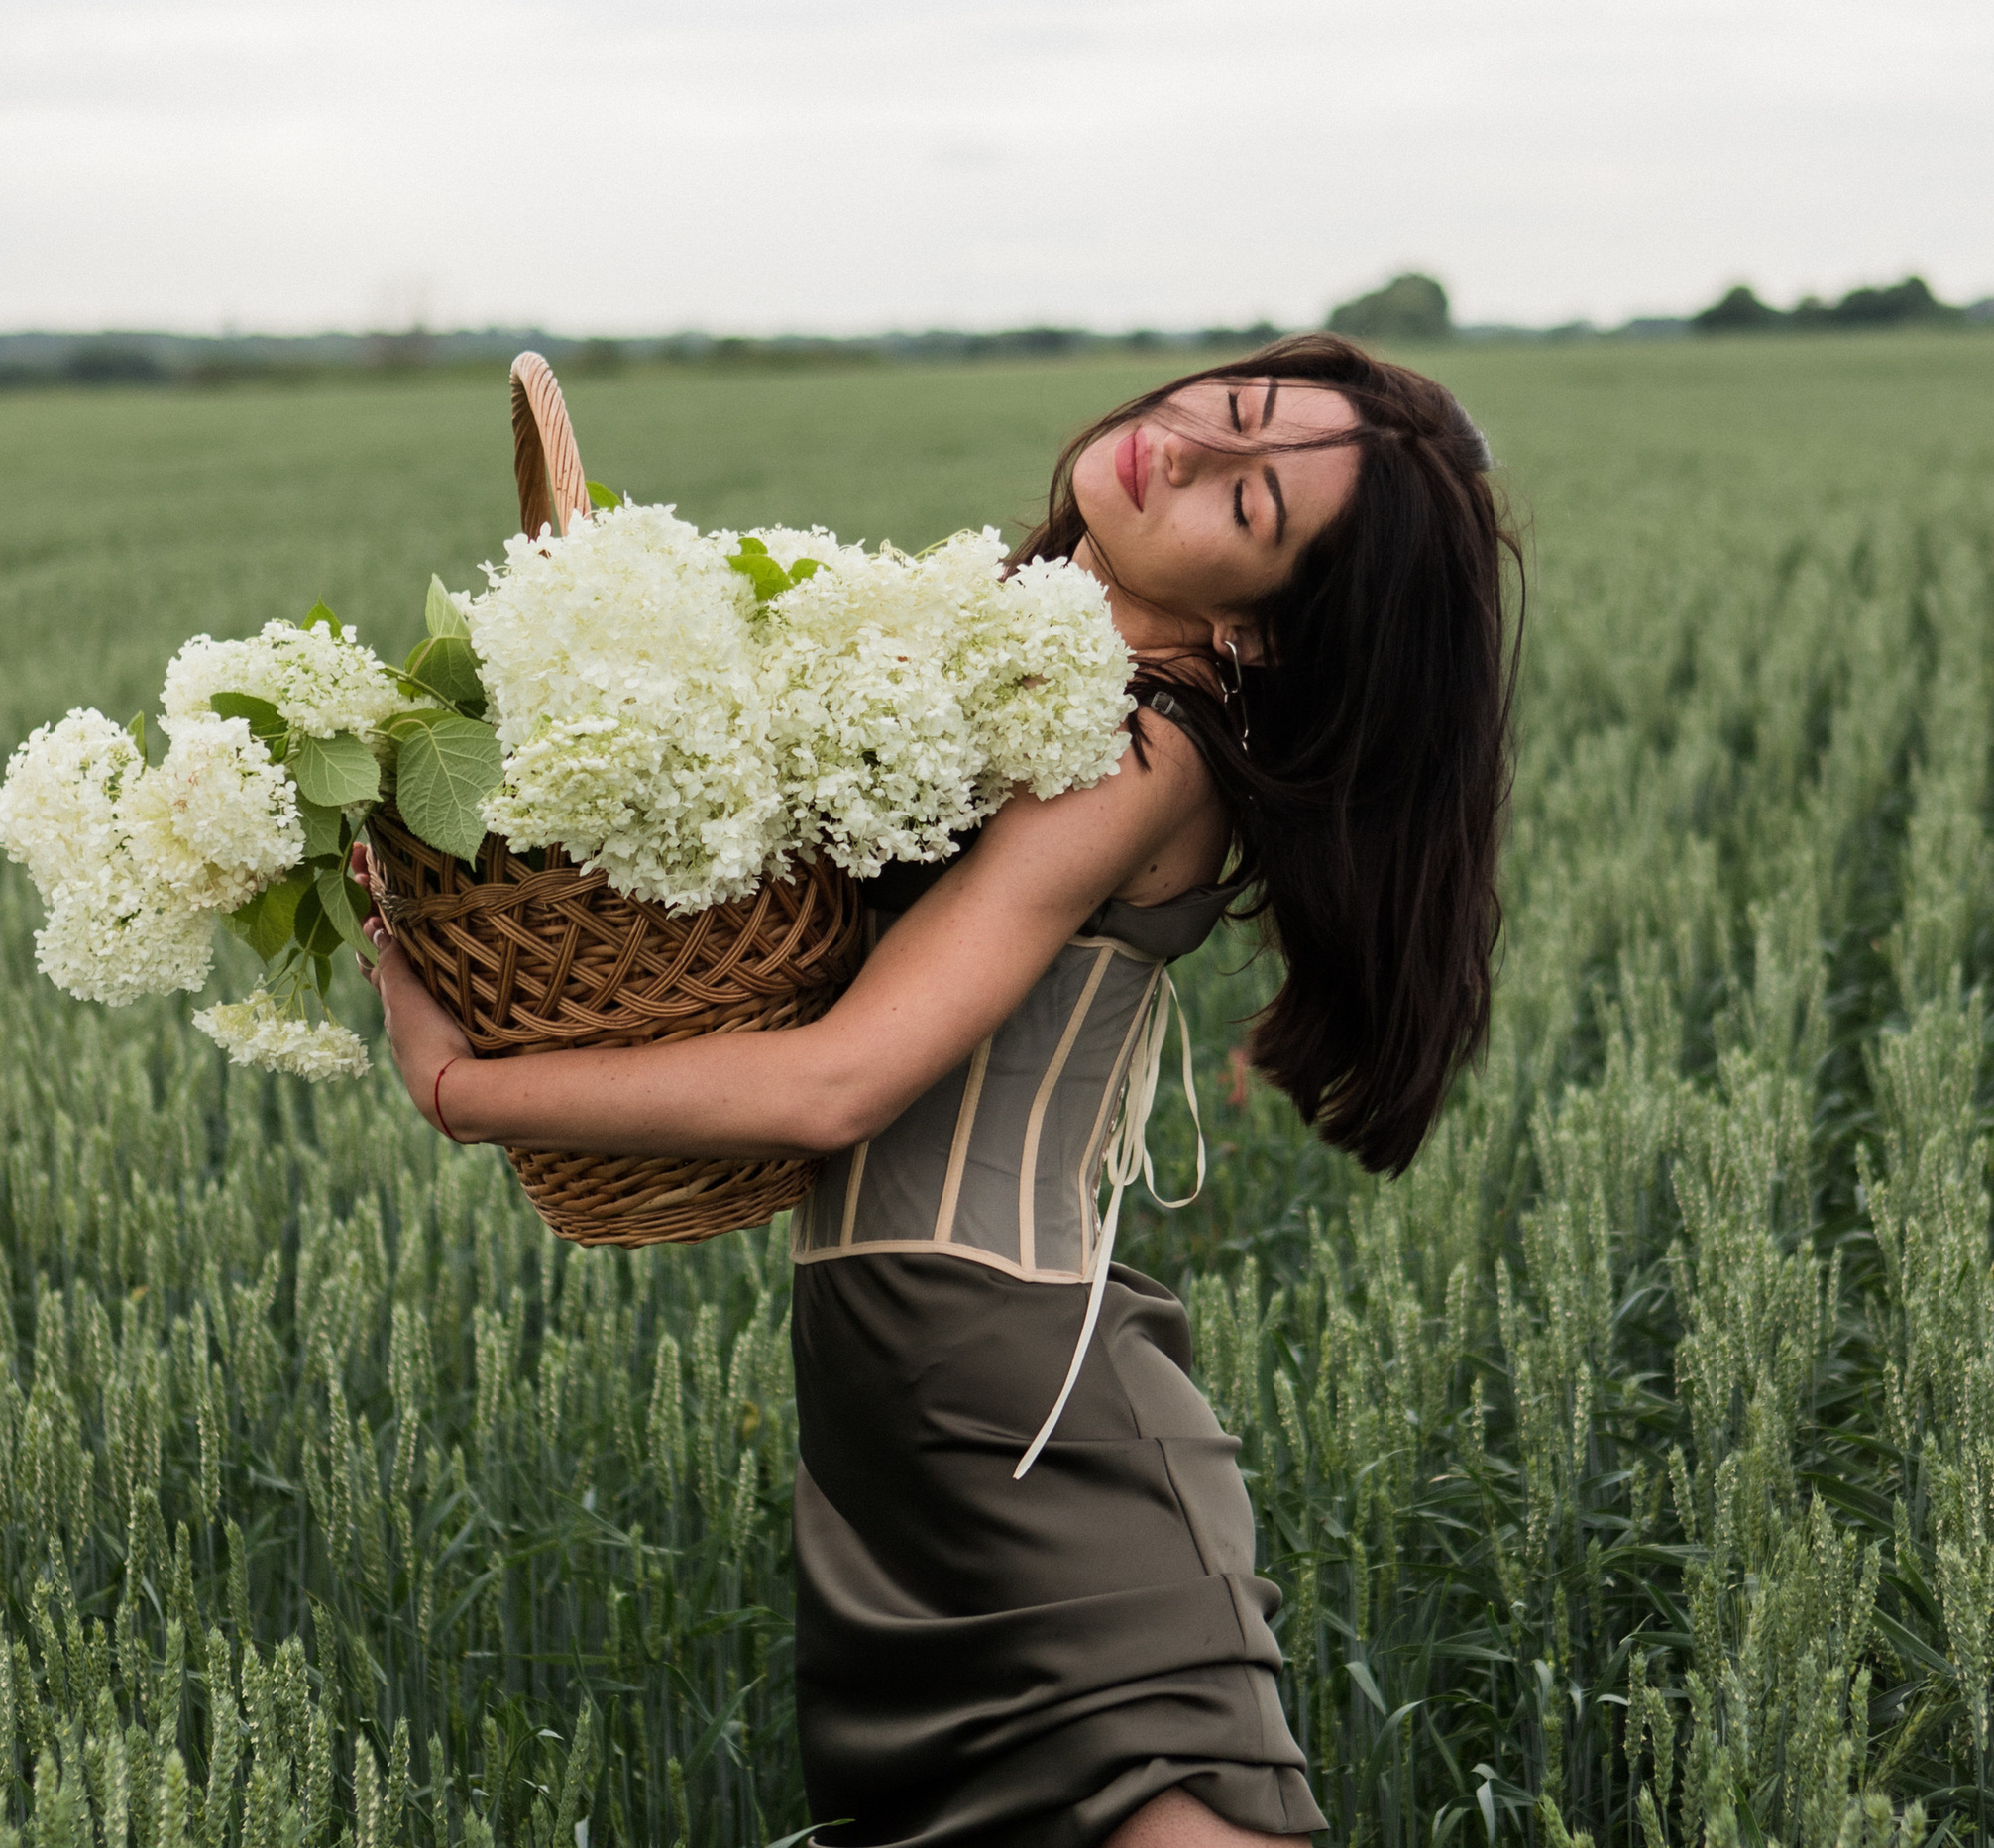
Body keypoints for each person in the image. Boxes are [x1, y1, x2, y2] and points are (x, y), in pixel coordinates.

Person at [357, 333, 1519, 1848]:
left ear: (1266, 631)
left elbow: (839, 1084)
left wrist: (469, 1091)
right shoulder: (1022, 663)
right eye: (1234, 412)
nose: (1187, 450)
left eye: (1248, 506)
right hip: (895, 1406)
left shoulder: (1141, 750)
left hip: (1012, 1398)